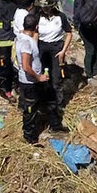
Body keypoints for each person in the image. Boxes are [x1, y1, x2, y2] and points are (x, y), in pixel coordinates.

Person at [14, 14, 62, 143]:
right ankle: (29, 137)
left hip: (34, 80)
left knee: (50, 99)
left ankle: (55, 125)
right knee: (31, 109)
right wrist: (38, 77)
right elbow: (25, 65)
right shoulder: (25, 42)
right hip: (30, 82)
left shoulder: (23, 37)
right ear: (36, 27)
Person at [35, 0, 73, 111]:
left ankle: (59, 104)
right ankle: (44, 102)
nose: (45, 10)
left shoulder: (60, 16)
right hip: (41, 46)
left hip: (56, 47)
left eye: (47, 7)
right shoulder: (37, 16)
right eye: (43, 7)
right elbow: (35, 34)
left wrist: (63, 51)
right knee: (43, 75)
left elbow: (69, 33)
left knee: (56, 77)